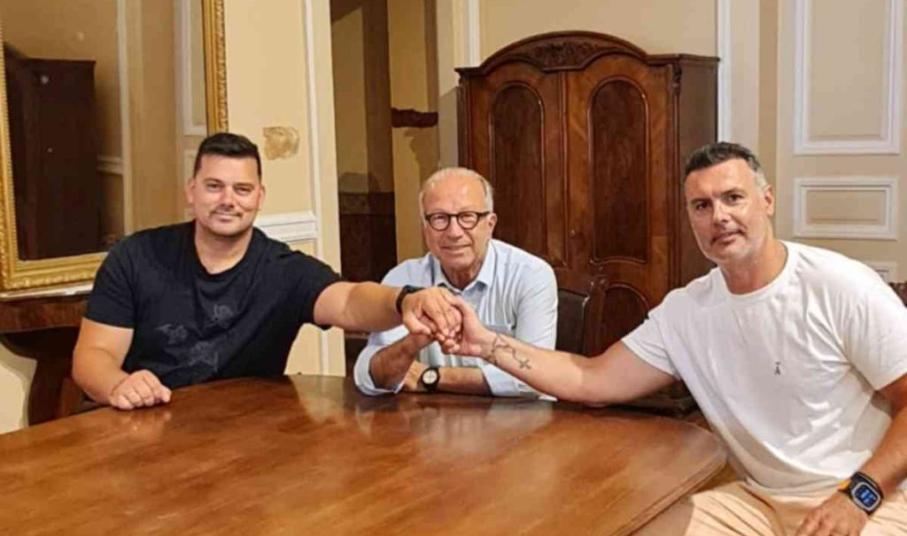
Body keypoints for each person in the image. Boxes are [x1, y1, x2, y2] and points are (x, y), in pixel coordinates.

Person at [442, 142, 907, 534]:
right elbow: (591, 379)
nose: (719, 217)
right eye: (702, 206)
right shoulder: (687, 311)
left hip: (870, 496)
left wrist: (859, 496)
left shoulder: (839, 285)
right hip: (757, 502)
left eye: (733, 198)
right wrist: (486, 345)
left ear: (766, 200)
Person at [73, 132, 460, 411]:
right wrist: (120, 385)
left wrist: (405, 300)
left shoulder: (283, 270)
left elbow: (348, 301)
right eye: (214, 186)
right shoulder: (136, 257)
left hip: (246, 435)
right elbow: (93, 356)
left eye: (242, 189)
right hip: (144, 425)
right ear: (191, 191)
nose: (228, 200)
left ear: (260, 196)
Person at [353, 167, 557, 397]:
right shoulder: (403, 280)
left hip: (522, 416)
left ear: (490, 225)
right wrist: (409, 346)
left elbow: (535, 378)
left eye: (467, 217)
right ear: (425, 229)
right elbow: (367, 376)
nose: (454, 232)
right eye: (439, 218)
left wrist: (430, 376)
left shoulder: (530, 275)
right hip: (430, 415)